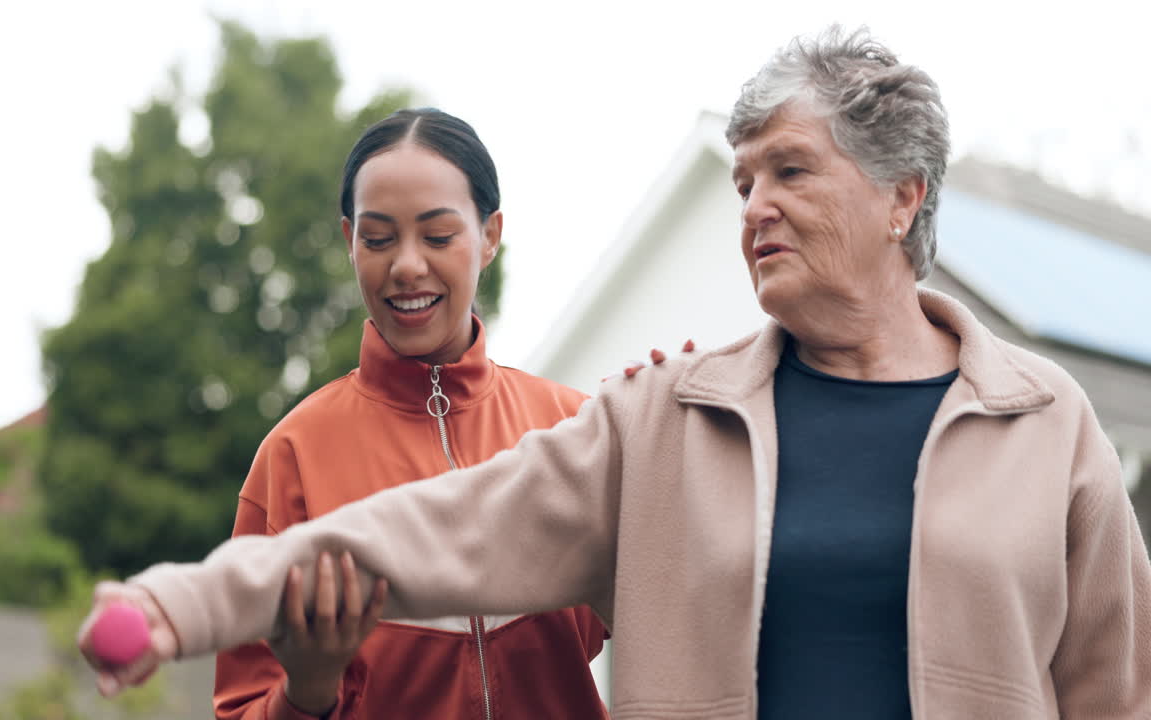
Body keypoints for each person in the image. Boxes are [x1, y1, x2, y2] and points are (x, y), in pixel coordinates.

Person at [80, 27, 1151, 719]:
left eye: (788, 171)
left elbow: (1113, 690)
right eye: (740, 182)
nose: (752, 208)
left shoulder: (1043, 423)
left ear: (901, 197)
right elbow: (429, 529)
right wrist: (177, 603)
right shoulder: (660, 424)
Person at [143, 108, 611, 720]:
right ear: (349, 242)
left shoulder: (575, 430)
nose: (407, 265)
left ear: (490, 234)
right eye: (380, 238)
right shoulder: (293, 457)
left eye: (439, 236)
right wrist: (308, 689)